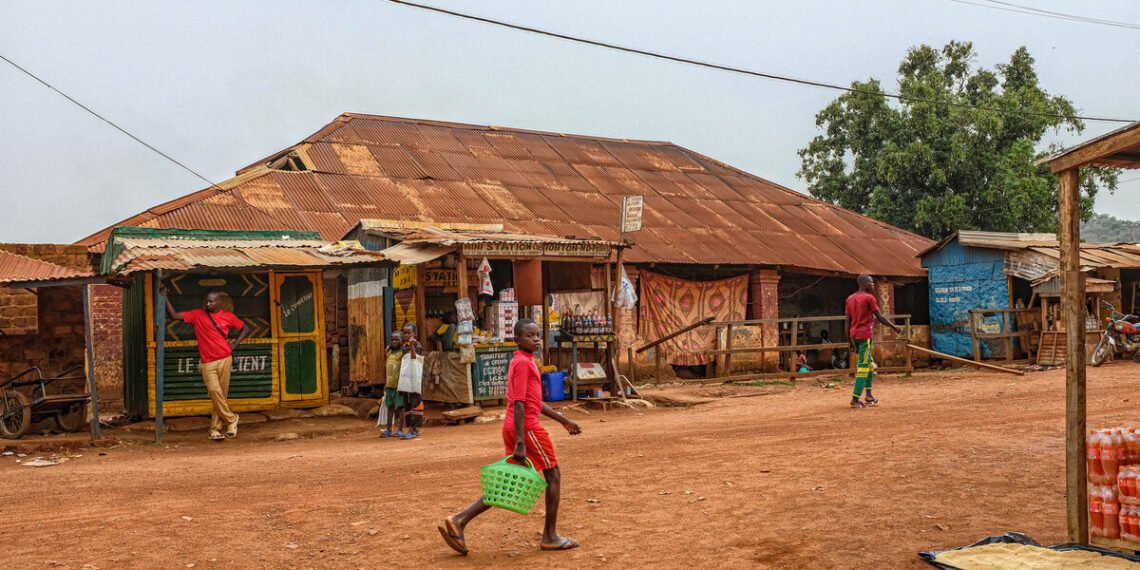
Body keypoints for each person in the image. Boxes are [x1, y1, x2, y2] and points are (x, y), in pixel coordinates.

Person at [438, 319, 582, 556]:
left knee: (509, 482)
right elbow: (518, 403)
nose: (535, 339)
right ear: (517, 340)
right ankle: (550, 536)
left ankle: (459, 520)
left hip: (518, 427)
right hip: (527, 428)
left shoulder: (525, 361)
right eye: (529, 336)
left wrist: (563, 420)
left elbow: (533, 401)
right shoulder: (523, 364)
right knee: (553, 474)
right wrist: (521, 442)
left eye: (537, 335)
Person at [162, 289, 250, 440]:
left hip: (225, 359)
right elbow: (174, 315)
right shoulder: (197, 314)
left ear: (219, 302)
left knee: (220, 396)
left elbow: (246, 328)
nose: (208, 304)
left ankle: (215, 429)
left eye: (211, 301)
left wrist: (235, 344)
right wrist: (165, 298)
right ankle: (231, 419)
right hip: (207, 362)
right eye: (207, 301)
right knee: (214, 391)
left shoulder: (227, 316)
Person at [844, 275, 902, 409]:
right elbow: (880, 317)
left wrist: (849, 341)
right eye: (871, 283)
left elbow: (847, 321)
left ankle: (869, 395)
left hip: (854, 335)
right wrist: (894, 327)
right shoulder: (869, 298)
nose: (873, 285)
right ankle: (855, 399)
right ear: (864, 284)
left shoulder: (850, 298)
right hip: (865, 336)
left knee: (869, 364)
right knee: (863, 366)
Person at [398, 323, 423, 440]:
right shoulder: (403, 346)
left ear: (415, 333)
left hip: (415, 378)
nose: (406, 335)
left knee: (415, 402)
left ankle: (412, 429)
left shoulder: (417, 344)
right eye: (405, 333)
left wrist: (412, 346)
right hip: (407, 378)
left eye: (409, 332)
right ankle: (414, 428)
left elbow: (414, 358)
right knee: (407, 403)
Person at [380, 330, 405, 438]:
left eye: (397, 339)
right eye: (392, 339)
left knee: (400, 408)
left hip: (399, 385)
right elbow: (386, 368)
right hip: (390, 385)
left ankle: (400, 429)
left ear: (402, 341)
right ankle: (389, 429)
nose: (394, 341)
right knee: (390, 407)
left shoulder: (402, 353)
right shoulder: (390, 353)